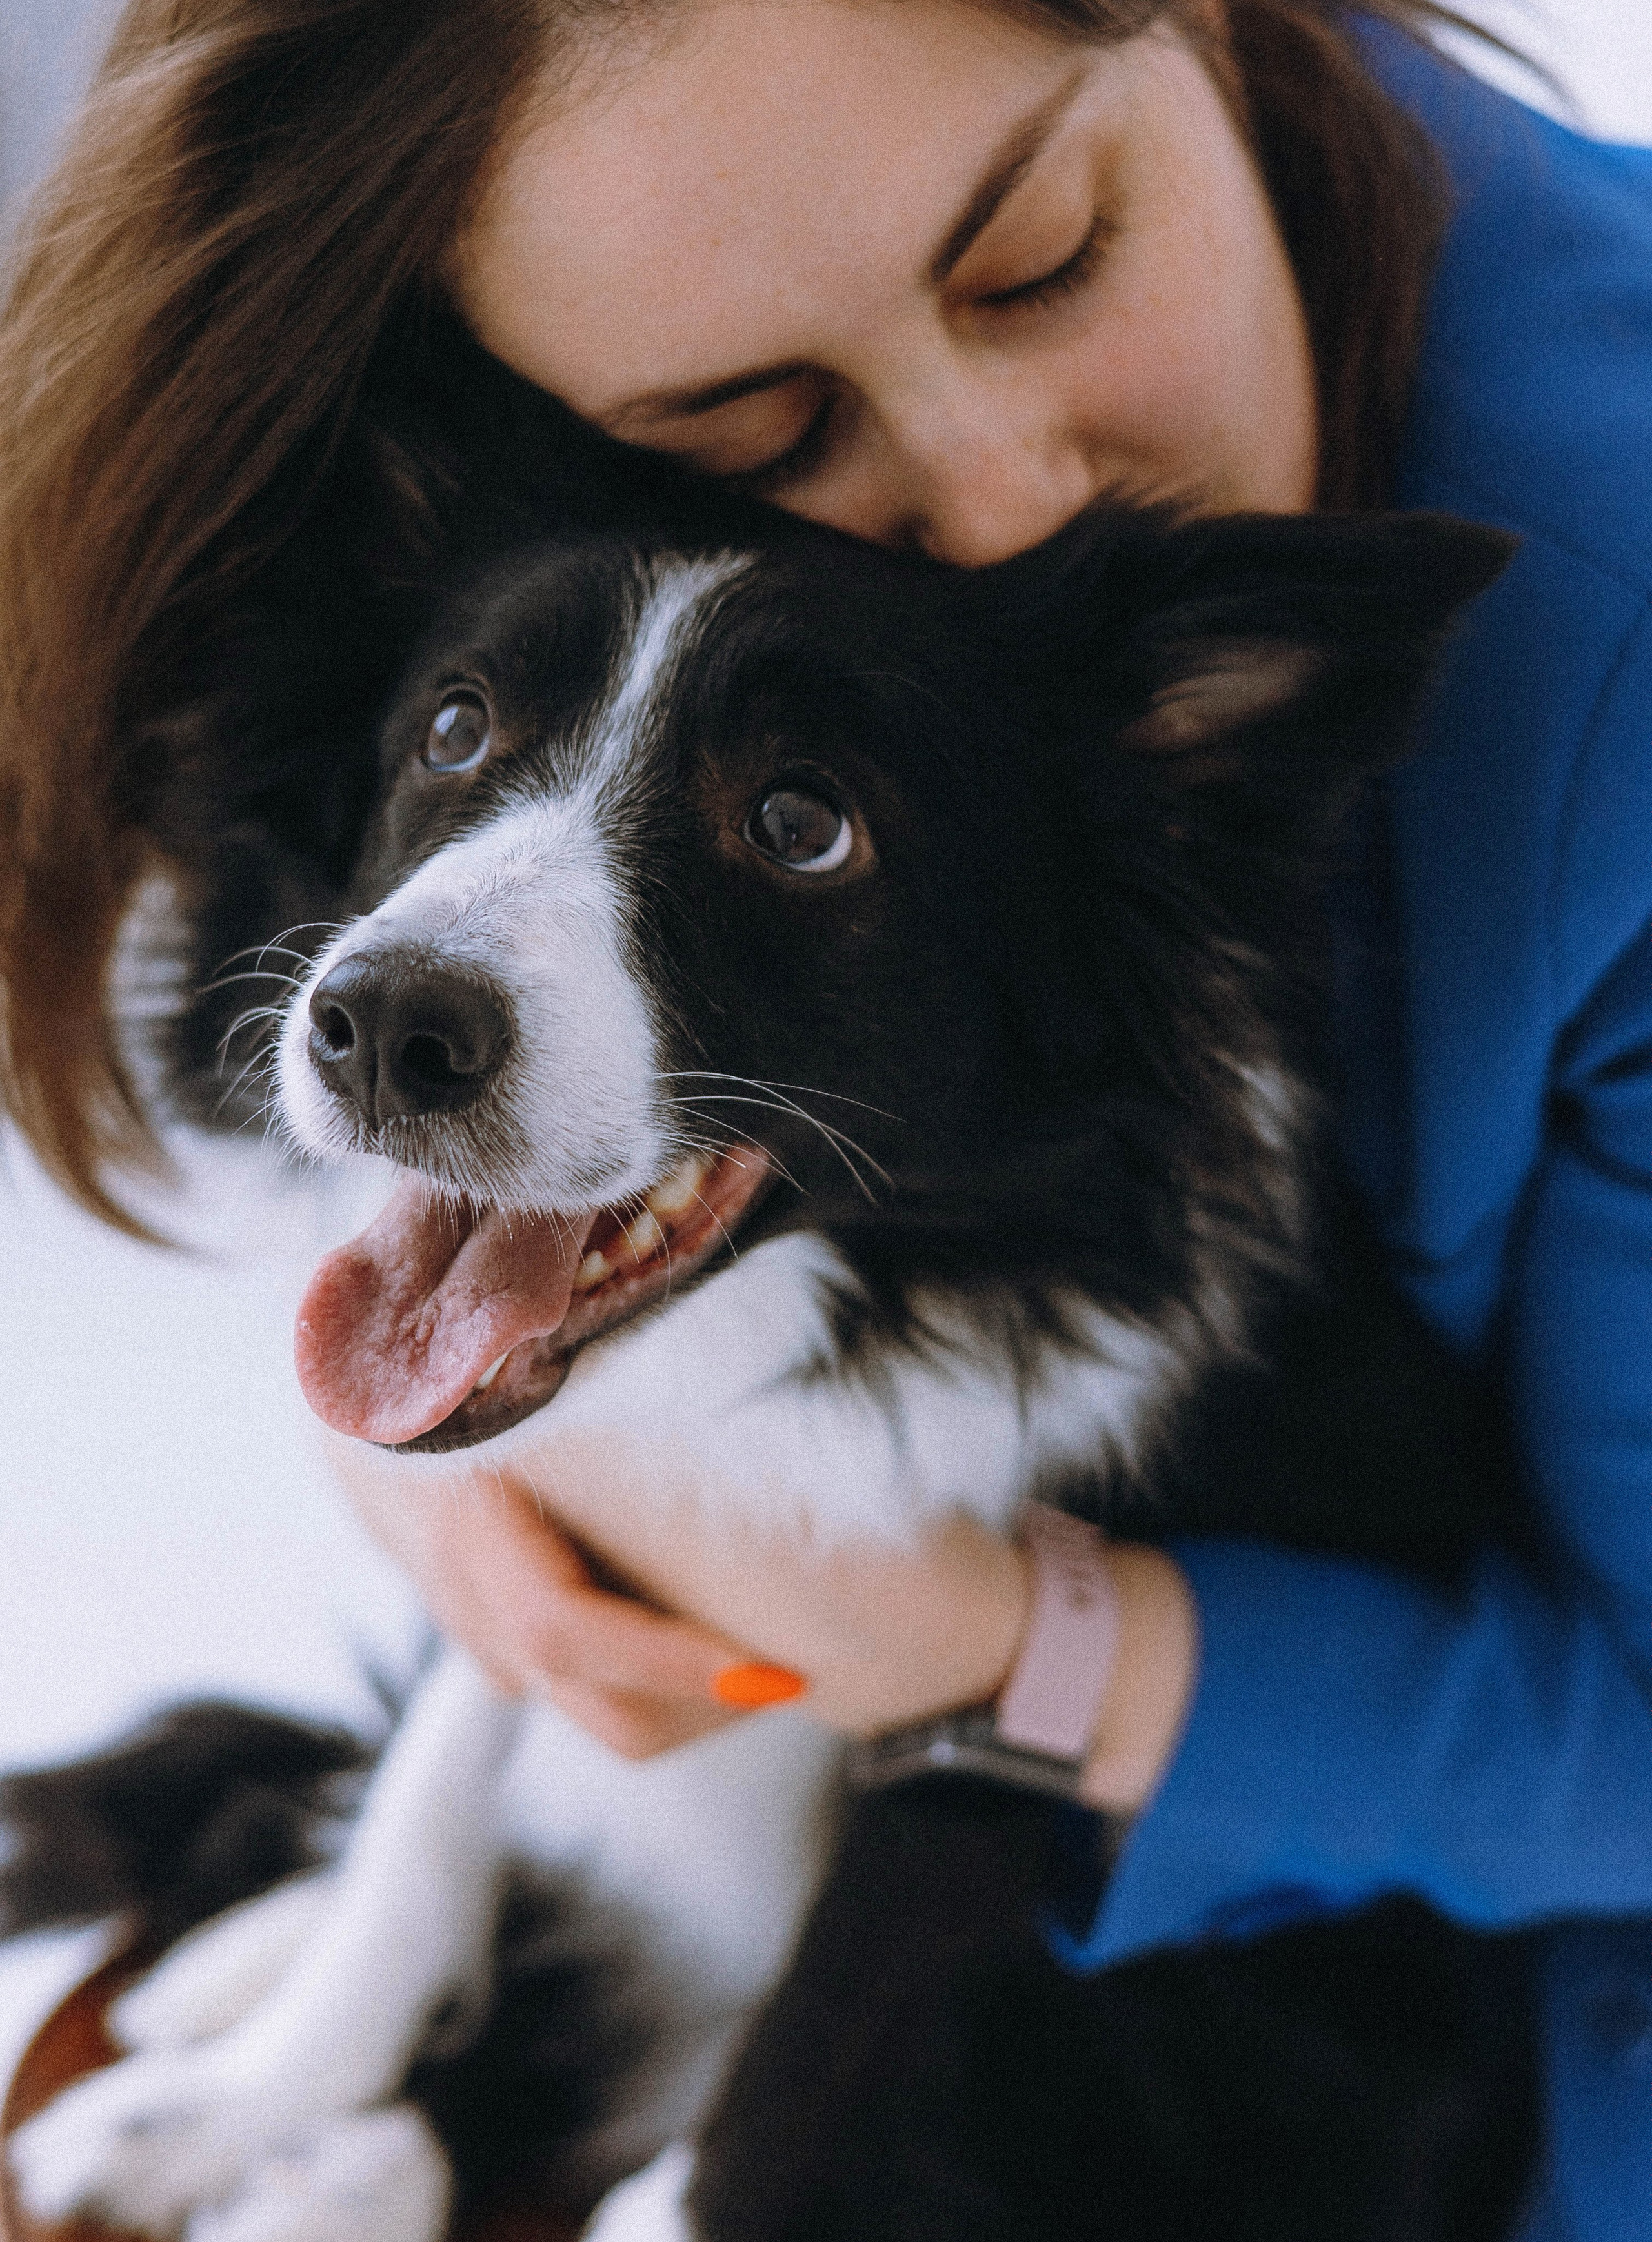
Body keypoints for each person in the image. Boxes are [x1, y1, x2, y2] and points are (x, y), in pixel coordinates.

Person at [1, 1, 1649, 2232]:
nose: (995, 508)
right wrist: (450, 1430)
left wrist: (1005, 1641)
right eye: (748, 428)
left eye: (1047, 249)